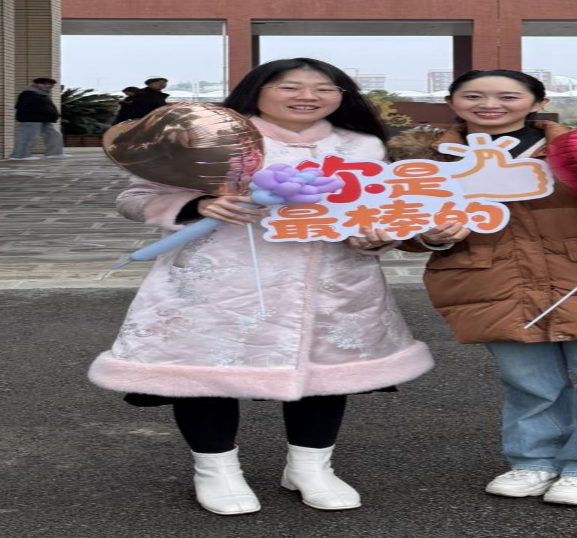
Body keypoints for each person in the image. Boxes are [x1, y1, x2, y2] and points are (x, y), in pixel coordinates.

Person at [89, 58, 431, 516]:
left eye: (324, 88)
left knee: (327, 375)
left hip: (332, 280)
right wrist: (199, 205)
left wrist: (375, 237)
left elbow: (376, 209)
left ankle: (311, 468)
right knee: (202, 374)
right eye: (290, 86)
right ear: (257, 91)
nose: (307, 96)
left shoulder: (362, 146)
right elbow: (134, 198)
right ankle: (216, 471)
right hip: (220, 280)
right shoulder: (210, 135)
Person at [385, 70, 577, 507]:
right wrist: (428, 236)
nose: (489, 104)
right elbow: (398, 223)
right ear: (452, 102)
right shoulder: (425, 161)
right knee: (529, 382)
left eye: (507, 96)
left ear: (538, 102)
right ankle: (534, 461)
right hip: (494, 281)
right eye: (473, 96)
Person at [9, 77, 65, 160]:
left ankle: (54, 153)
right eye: (44, 84)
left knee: (54, 135)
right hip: (31, 119)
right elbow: (22, 106)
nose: (48, 86)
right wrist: (35, 114)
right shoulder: (28, 93)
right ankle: (20, 155)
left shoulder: (44, 94)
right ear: (35, 84)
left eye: (50, 84)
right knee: (27, 137)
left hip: (44, 119)